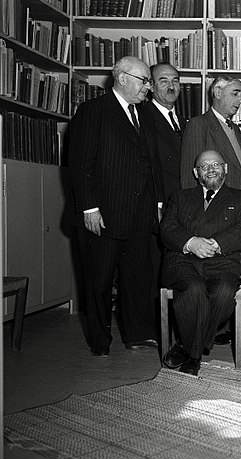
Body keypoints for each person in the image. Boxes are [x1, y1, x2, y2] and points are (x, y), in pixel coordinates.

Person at [70, 56, 164, 357]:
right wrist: (89, 208)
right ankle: (99, 340)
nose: (148, 88)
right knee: (98, 279)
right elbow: (81, 164)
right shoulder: (93, 111)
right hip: (105, 214)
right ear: (122, 78)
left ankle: (136, 334)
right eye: (144, 80)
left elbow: (152, 165)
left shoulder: (144, 115)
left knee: (137, 277)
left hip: (140, 214)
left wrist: (158, 203)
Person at [160, 150, 241, 376]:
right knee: (194, 288)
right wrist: (191, 242)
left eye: (216, 165)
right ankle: (195, 357)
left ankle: (186, 345)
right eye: (205, 166)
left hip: (222, 261)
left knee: (223, 291)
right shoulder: (180, 197)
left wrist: (216, 243)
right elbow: (167, 229)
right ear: (196, 173)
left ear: (225, 169)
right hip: (183, 261)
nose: (211, 169)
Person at [180, 74, 241, 191]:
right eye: (235, 94)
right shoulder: (198, 124)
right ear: (218, 93)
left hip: (238, 199)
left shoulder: (235, 128)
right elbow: (190, 177)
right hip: (214, 205)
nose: (240, 100)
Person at [143, 62, 185, 201]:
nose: (171, 87)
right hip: (158, 201)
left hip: (183, 201)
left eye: (175, 81)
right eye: (164, 81)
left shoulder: (184, 122)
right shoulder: (143, 118)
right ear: (151, 86)